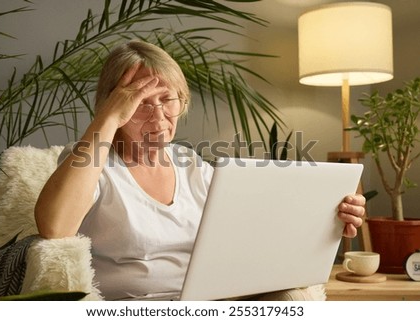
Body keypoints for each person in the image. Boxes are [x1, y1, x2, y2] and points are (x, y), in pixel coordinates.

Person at [34, 40, 366, 301]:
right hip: (140, 304)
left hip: (213, 299)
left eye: (168, 99)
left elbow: (258, 236)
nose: (160, 115)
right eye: (141, 101)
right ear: (115, 104)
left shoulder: (192, 164)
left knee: (296, 299)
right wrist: (106, 121)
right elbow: (55, 227)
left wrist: (330, 221)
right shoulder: (89, 160)